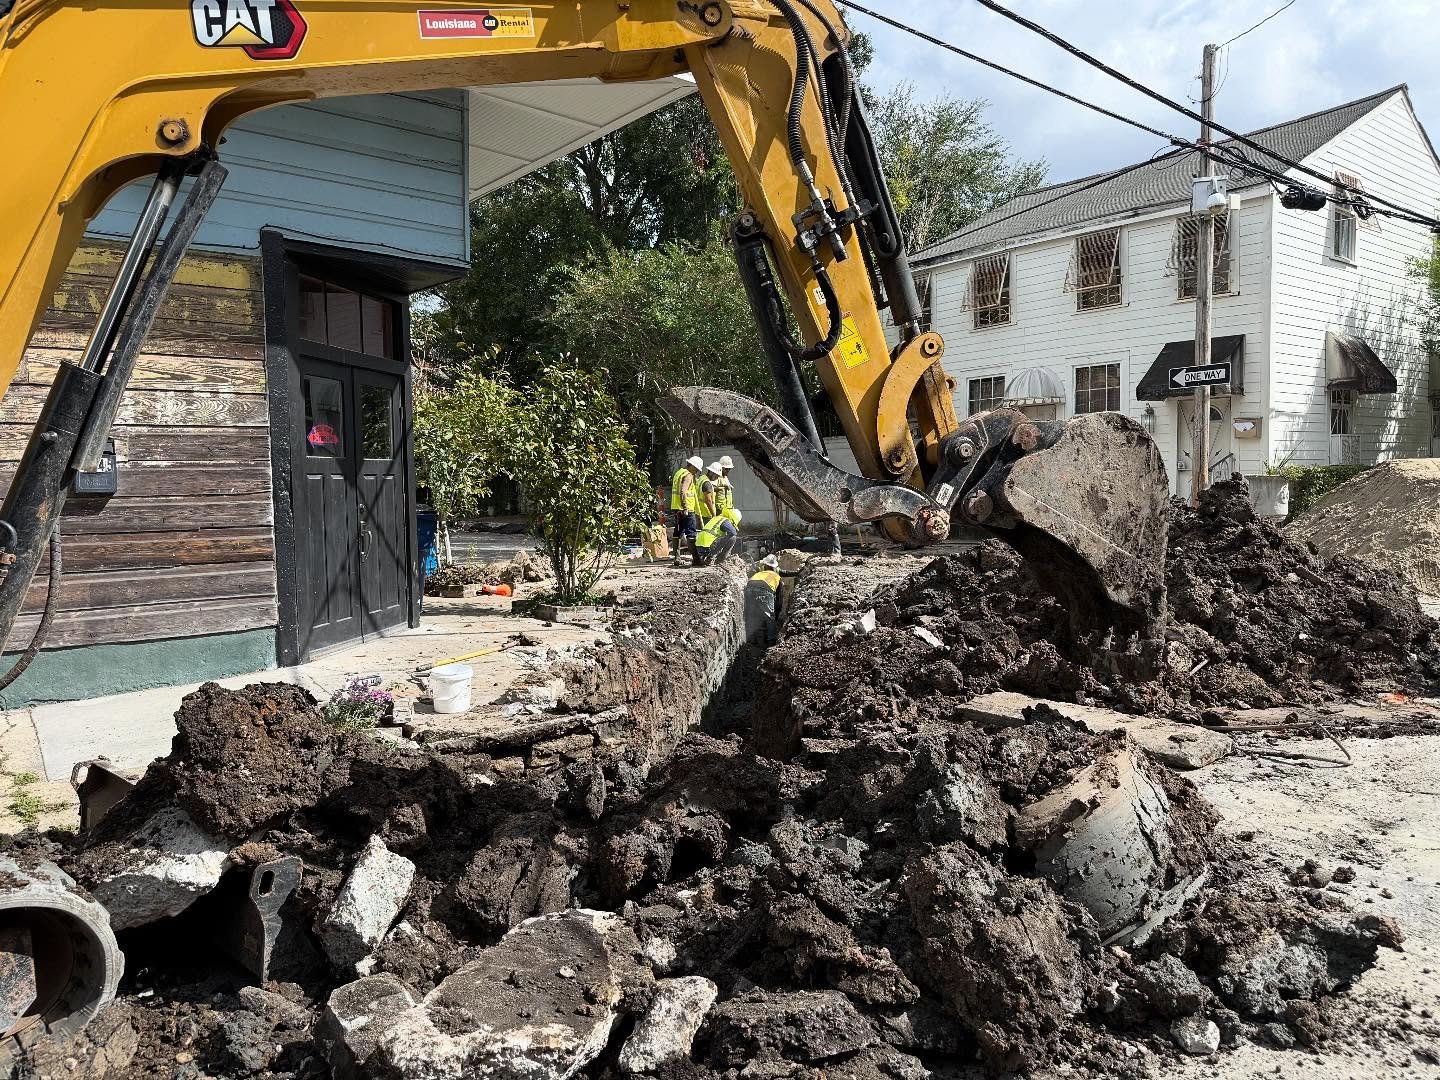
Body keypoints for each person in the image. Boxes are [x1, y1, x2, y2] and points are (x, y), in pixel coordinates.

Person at [669, 455, 704, 565]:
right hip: (686, 509)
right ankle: (696, 559)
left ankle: (677, 558)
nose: (697, 471)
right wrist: (685, 507)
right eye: (697, 469)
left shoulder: (679, 473)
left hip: (676, 508)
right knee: (691, 533)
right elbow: (683, 491)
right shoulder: (688, 475)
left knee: (678, 532)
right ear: (692, 466)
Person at [745, 554, 782, 645]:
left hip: (749, 588)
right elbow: (779, 599)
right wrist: (776, 614)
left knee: (751, 616)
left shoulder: (759, 573)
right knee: (770, 618)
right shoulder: (777, 577)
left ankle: (751, 640)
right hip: (765, 590)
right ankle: (771, 642)